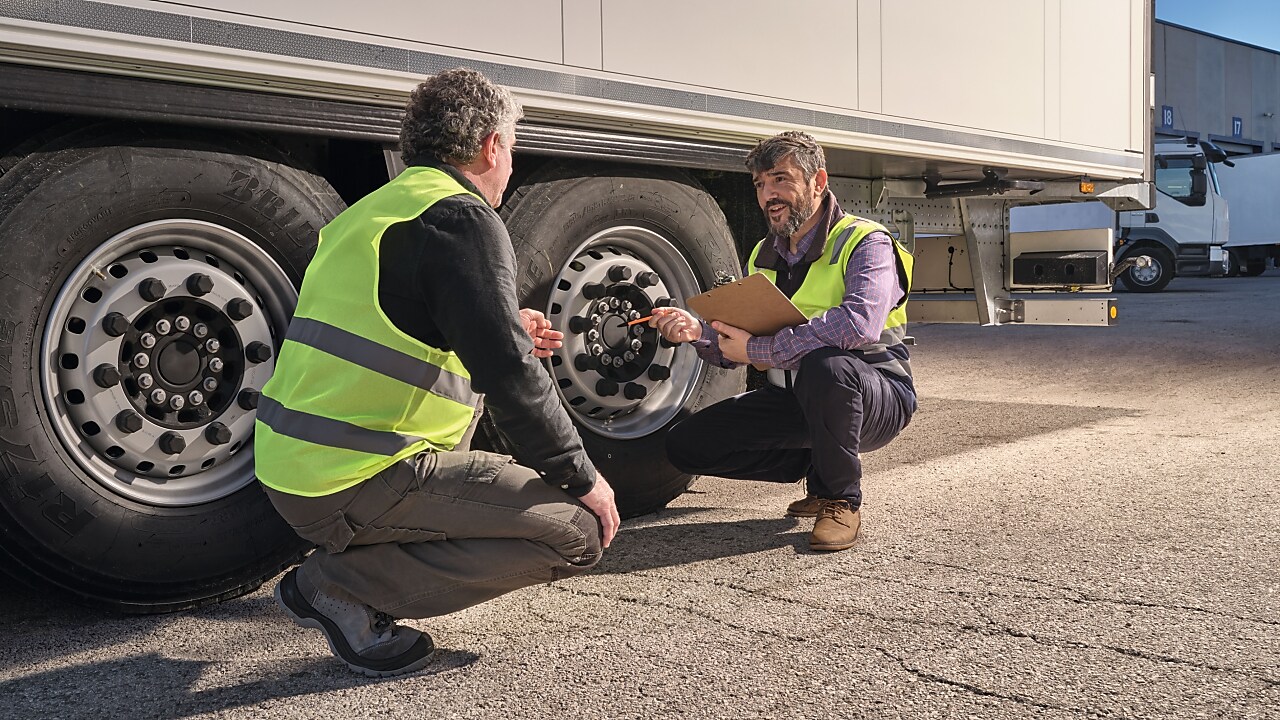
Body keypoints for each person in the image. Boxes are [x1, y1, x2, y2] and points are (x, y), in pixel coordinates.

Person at [254, 67, 619, 677]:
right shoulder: (461, 218)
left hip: (294, 468)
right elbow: (510, 378)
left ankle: (353, 567)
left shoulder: (372, 214)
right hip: (359, 475)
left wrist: (499, 323)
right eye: (511, 148)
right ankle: (338, 585)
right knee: (578, 531)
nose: (510, 165)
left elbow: (392, 325)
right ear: (490, 146)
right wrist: (585, 479)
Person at [653, 131, 915, 552]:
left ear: (818, 181)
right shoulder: (762, 254)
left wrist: (758, 350)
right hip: (796, 399)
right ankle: (818, 460)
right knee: (685, 446)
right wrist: (699, 333)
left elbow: (858, 326)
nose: (768, 195)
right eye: (760, 184)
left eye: (780, 179)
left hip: (875, 395)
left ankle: (840, 498)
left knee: (827, 364)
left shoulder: (865, 241)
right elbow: (739, 345)